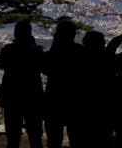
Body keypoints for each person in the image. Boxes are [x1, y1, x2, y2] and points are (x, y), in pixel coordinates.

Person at [0, 21, 44, 148]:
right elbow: (43, 68)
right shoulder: (37, 50)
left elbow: (0, 64)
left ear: (15, 33)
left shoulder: (8, 50)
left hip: (11, 94)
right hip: (33, 94)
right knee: (35, 134)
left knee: (12, 135)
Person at [42, 18, 84, 148]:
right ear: (74, 34)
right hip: (76, 99)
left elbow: (45, 69)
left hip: (53, 98)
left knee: (53, 140)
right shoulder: (80, 51)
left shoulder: (52, 53)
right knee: (77, 138)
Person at [79, 30, 114, 148]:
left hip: (83, 107)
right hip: (104, 106)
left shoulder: (79, 58)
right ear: (101, 43)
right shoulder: (108, 60)